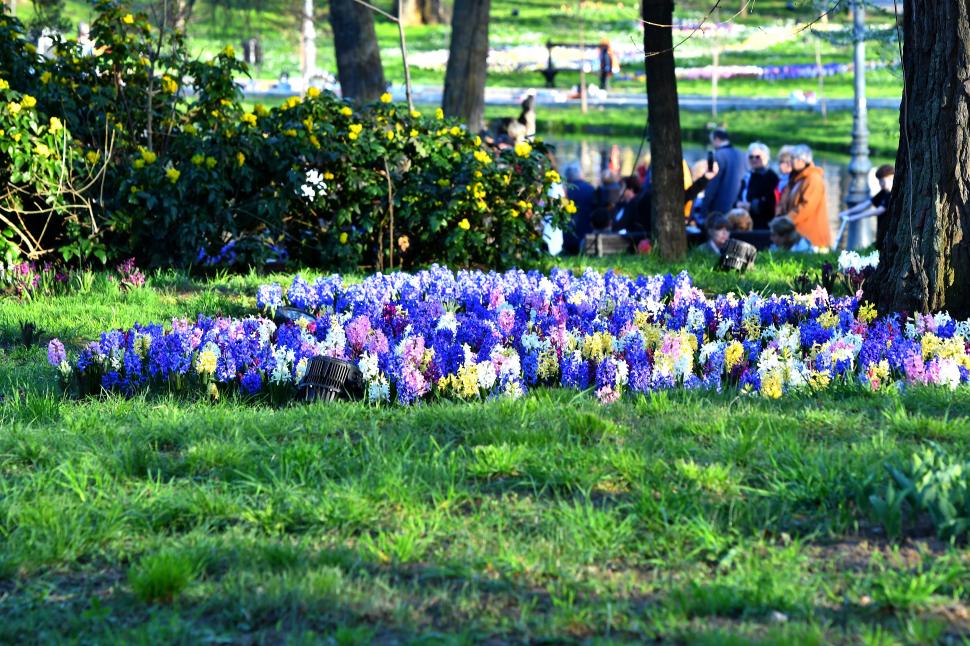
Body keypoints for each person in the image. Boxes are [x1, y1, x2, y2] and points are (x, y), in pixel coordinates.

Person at [774, 144, 831, 249]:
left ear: (802, 161)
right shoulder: (796, 179)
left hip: (812, 240)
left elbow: (807, 206)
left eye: (792, 158)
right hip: (796, 236)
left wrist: (787, 219)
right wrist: (779, 217)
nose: (790, 162)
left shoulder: (813, 179)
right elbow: (784, 201)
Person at [697, 128, 747, 224]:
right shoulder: (742, 154)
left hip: (718, 209)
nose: (712, 145)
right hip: (738, 208)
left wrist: (704, 209)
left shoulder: (718, 155)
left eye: (712, 142)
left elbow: (712, 184)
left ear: (717, 139)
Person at [838, 163, 894, 247]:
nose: (880, 184)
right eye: (879, 181)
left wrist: (855, 217)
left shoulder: (891, 195)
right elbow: (866, 204)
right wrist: (848, 212)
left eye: (882, 181)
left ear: (891, 178)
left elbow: (878, 211)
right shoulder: (883, 193)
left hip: (889, 231)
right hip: (881, 230)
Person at [735, 142, 779, 229]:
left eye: (758, 157)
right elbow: (741, 193)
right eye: (751, 157)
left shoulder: (771, 177)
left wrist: (751, 206)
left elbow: (772, 202)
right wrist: (738, 203)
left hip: (762, 224)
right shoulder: (748, 175)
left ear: (766, 158)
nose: (754, 159)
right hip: (744, 221)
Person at [561, 164, 598, 255]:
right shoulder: (590, 188)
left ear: (567, 177)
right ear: (580, 174)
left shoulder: (566, 191)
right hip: (587, 232)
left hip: (569, 235)